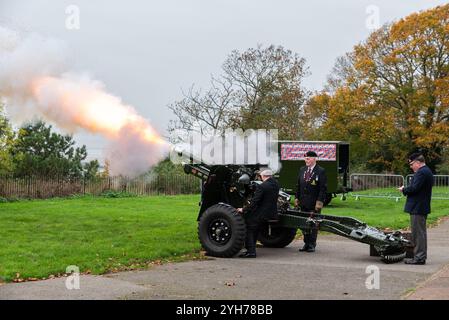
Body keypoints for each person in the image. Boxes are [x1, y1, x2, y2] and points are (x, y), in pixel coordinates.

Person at [398, 153, 433, 265]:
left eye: (412, 164)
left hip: (418, 207)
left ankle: (419, 258)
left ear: (418, 162)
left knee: (418, 234)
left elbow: (414, 188)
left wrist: (404, 189)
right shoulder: (426, 171)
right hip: (420, 206)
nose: (411, 166)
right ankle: (420, 257)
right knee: (420, 233)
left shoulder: (421, 172)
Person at [236, 168, 280, 258]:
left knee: (250, 226)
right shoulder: (276, 184)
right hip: (272, 212)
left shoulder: (262, 186)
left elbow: (254, 202)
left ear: (263, 176)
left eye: (260, 176)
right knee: (255, 226)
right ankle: (251, 249)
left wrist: (243, 209)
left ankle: (251, 252)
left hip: (262, 213)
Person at [294, 151, 327, 253]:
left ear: (314, 159)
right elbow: (298, 185)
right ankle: (306, 243)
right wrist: (296, 198)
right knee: (304, 223)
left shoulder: (320, 171)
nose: (306, 160)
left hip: (314, 203)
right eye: (305, 158)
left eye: (308, 158)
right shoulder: (302, 169)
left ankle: (312, 244)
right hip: (303, 202)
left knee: (313, 224)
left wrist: (319, 203)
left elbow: (323, 188)